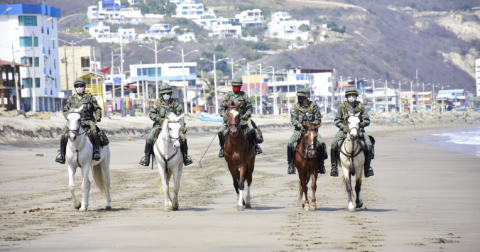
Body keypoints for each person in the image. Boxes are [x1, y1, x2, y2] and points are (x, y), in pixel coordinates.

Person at [139, 84, 193, 166]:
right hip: (160, 125)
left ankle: (185, 157)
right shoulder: (157, 103)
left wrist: (182, 125)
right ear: (161, 94)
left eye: (167, 93)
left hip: (173, 125)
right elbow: (151, 114)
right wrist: (159, 119)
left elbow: (180, 116)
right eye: (164, 94)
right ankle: (146, 158)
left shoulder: (175, 103)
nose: (166, 95)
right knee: (149, 137)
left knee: (183, 138)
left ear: (170, 94)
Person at [55, 78, 102, 163]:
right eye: (77, 86)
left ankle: (96, 151)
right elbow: (65, 110)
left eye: (81, 86)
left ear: (84, 87)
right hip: (74, 122)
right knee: (63, 135)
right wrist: (68, 117)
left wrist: (98, 116)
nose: (79, 88)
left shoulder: (89, 98)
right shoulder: (71, 99)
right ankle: (62, 155)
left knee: (94, 131)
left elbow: (97, 108)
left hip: (87, 121)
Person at [330, 87, 374, 177]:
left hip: (359, 130)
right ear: (347, 96)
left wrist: (358, 126)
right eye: (349, 95)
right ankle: (334, 167)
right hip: (344, 130)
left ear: (356, 96)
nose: (351, 96)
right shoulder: (342, 107)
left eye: (353, 95)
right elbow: (337, 120)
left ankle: (367, 167)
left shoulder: (360, 106)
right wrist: (344, 127)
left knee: (369, 144)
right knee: (334, 144)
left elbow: (367, 120)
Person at [218, 78, 263, 157]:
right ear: (232, 86)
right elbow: (222, 108)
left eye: (238, 86)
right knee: (220, 132)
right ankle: (222, 148)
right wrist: (224, 115)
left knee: (251, 129)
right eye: (234, 86)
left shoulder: (244, 95)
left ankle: (256, 146)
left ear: (240, 86)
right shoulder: (227, 96)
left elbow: (250, 108)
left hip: (243, 118)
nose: (236, 87)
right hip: (231, 119)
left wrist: (246, 115)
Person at [287, 88, 326, 175]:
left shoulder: (313, 106)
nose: (299, 98)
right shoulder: (296, 106)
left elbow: (318, 119)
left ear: (305, 97)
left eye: (300, 96)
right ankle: (290, 165)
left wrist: (311, 125)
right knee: (290, 144)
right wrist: (300, 125)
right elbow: (293, 119)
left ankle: (321, 164)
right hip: (299, 130)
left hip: (311, 130)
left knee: (321, 143)